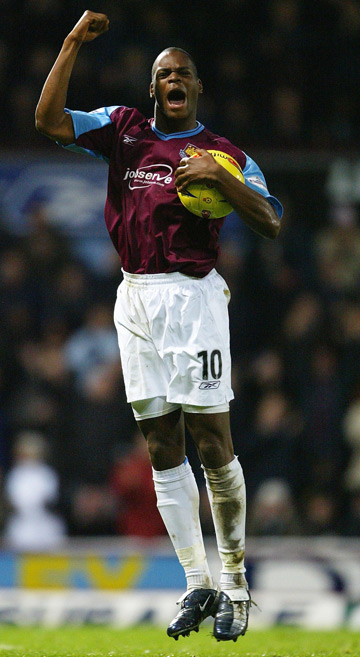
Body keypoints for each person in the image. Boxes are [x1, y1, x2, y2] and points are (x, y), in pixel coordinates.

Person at [35, 10, 283, 642]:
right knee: (160, 446)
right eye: (164, 73)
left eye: (184, 74)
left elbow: (273, 219)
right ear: (153, 88)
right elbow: (49, 121)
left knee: (211, 439)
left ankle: (235, 585)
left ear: (197, 89)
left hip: (194, 299)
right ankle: (196, 583)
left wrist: (223, 179)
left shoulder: (223, 153)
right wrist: (70, 44)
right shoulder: (123, 132)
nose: (174, 79)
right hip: (134, 297)